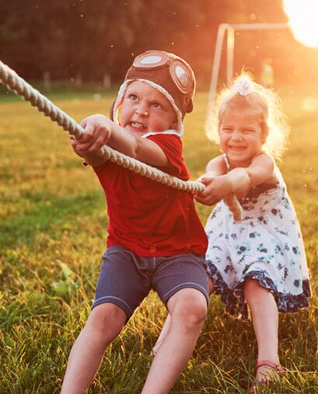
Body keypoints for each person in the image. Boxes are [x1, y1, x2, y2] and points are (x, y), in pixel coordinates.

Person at [60, 50, 209, 394]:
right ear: (120, 102)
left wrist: (105, 124)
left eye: (157, 105)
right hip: (125, 250)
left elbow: (138, 150)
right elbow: (93, 151)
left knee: (191, 309)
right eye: (134, 97)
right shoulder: (109, 144)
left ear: (173, 122)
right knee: (103, 318)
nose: (141, 109)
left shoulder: (167, 146)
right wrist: (87, 141)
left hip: (178, 254)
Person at [153, 73, 311, 393]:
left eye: (247, 130)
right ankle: (162, 345)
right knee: (200, 278)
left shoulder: (264, 162)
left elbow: (248, 176)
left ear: (263, 134)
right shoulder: (218, 162)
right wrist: (211, 182)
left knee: (256, 281)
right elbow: (213, 174)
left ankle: (269, 361)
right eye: (228, 129)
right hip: (229, 232)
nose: (236, 138)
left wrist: (228, 183)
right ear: (218, 131)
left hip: (267, 234)